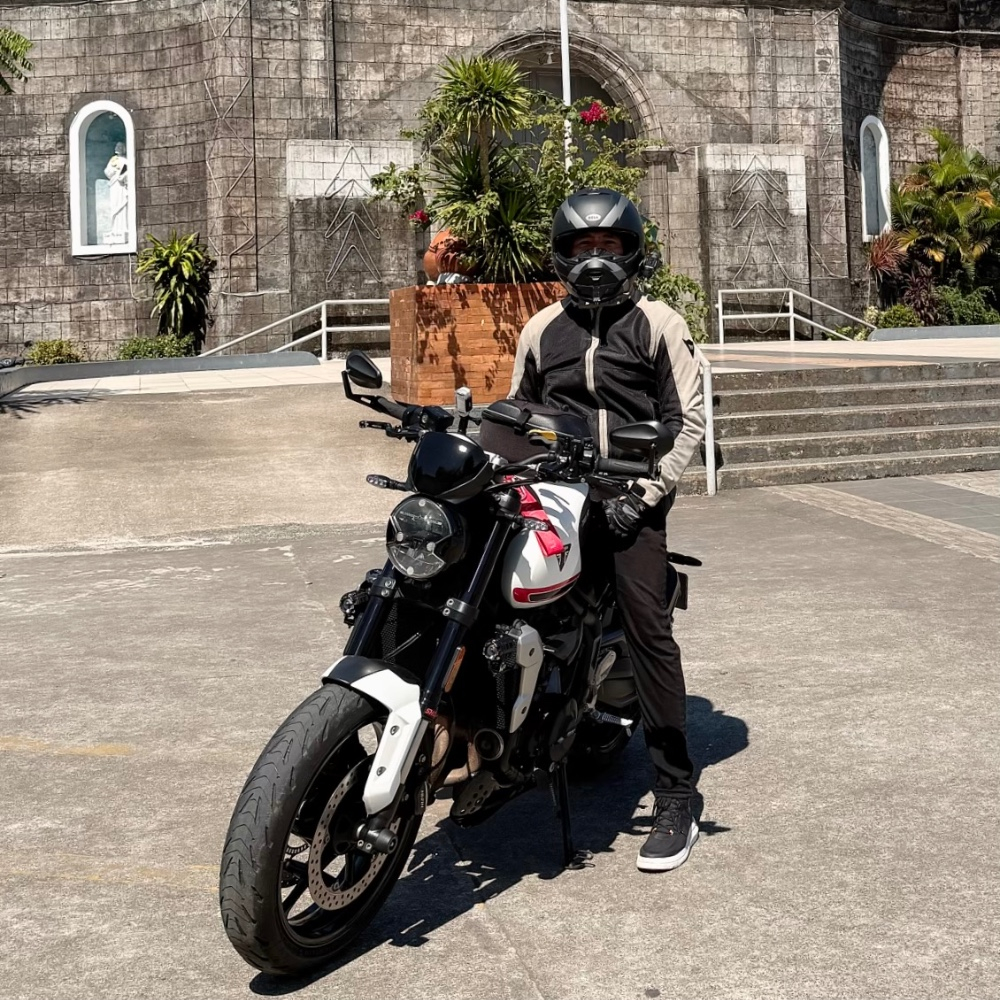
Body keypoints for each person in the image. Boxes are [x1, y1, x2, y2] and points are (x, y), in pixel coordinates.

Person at [509, 188, 706, 872]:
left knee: (649, 629)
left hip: (631, 499)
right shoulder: (541, 329)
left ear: (632, 252)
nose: (596, 260)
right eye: (584, 247)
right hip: (557, 496)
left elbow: (686, 422)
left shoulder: (658, 323)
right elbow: (518, 415)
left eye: (610, 246)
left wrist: (643, 495)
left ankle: (676, 794)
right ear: (562, 255)